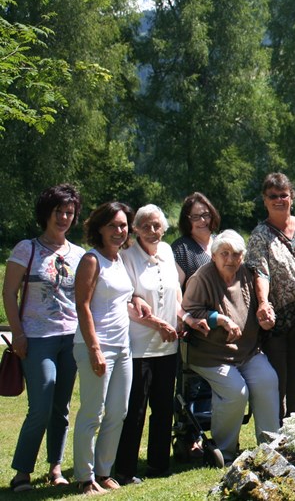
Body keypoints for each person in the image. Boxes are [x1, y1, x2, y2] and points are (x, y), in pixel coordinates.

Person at [4, 185, 84, 492]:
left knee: (61, 408)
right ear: (46, 214)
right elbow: (9, 293)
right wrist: (18, 334)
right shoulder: (27, 249)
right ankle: (22, 473)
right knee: (40, 405)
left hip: (70, 338)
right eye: (58, 212)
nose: (64, 217)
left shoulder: (77, 254)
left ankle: (55, 468)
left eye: (69, 212)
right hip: (37, 339)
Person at [180, 230, 280, 464]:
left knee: (268, 380)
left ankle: (271, 446)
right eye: (224, 253)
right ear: (214, 255)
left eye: (236, 254)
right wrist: (219, 319)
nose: (230, 259)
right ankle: (224, 450)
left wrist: (266, 318)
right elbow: (188, 310)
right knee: (236, 391)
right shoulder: (202, 277)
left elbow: (259, 309)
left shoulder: (246, 274)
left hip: (247, 352)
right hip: (210, 354)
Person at [114, 205, 181, 484]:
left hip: (169, 345)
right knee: (136, 408)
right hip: (139, 345)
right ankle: (125, 469)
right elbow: (129, 304)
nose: (153, 231)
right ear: (136, 229)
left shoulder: (166, 251)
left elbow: (175, 291)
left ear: (164, 228)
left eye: (157, 225)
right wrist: (159, 325)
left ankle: (158, 464)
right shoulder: (126, 258)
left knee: (164, 406)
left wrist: (181, 319)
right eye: (146, 226)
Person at [73, 201, 137, 494]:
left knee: (117, 411)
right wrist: (95, 349)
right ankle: (85, 478)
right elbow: (83, 306)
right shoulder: (91, 260)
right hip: (96, 346)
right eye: (113, 225)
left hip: (123, 347)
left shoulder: (119, 258)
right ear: (99, 227)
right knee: (93, 412)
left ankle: (105, 471)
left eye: (123, 225)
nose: (119, 231)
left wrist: (139, 303)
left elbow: (122, 298)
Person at [246, 172, 295, 419]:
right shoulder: (259, 234)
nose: (278, 200)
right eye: (272, 196)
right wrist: (264, 303)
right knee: (278, 378)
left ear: (291, 197)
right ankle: (274, 436)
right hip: (276, 320)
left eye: (283, 195)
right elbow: (260, 272)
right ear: (264, 200)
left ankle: (292, 433)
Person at [172, 192, 221, 289]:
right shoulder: (180, 250)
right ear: (187, 221)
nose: (202, 220)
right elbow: (174, 291)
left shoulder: (221, 242)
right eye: (195, 217)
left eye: (206, 215)